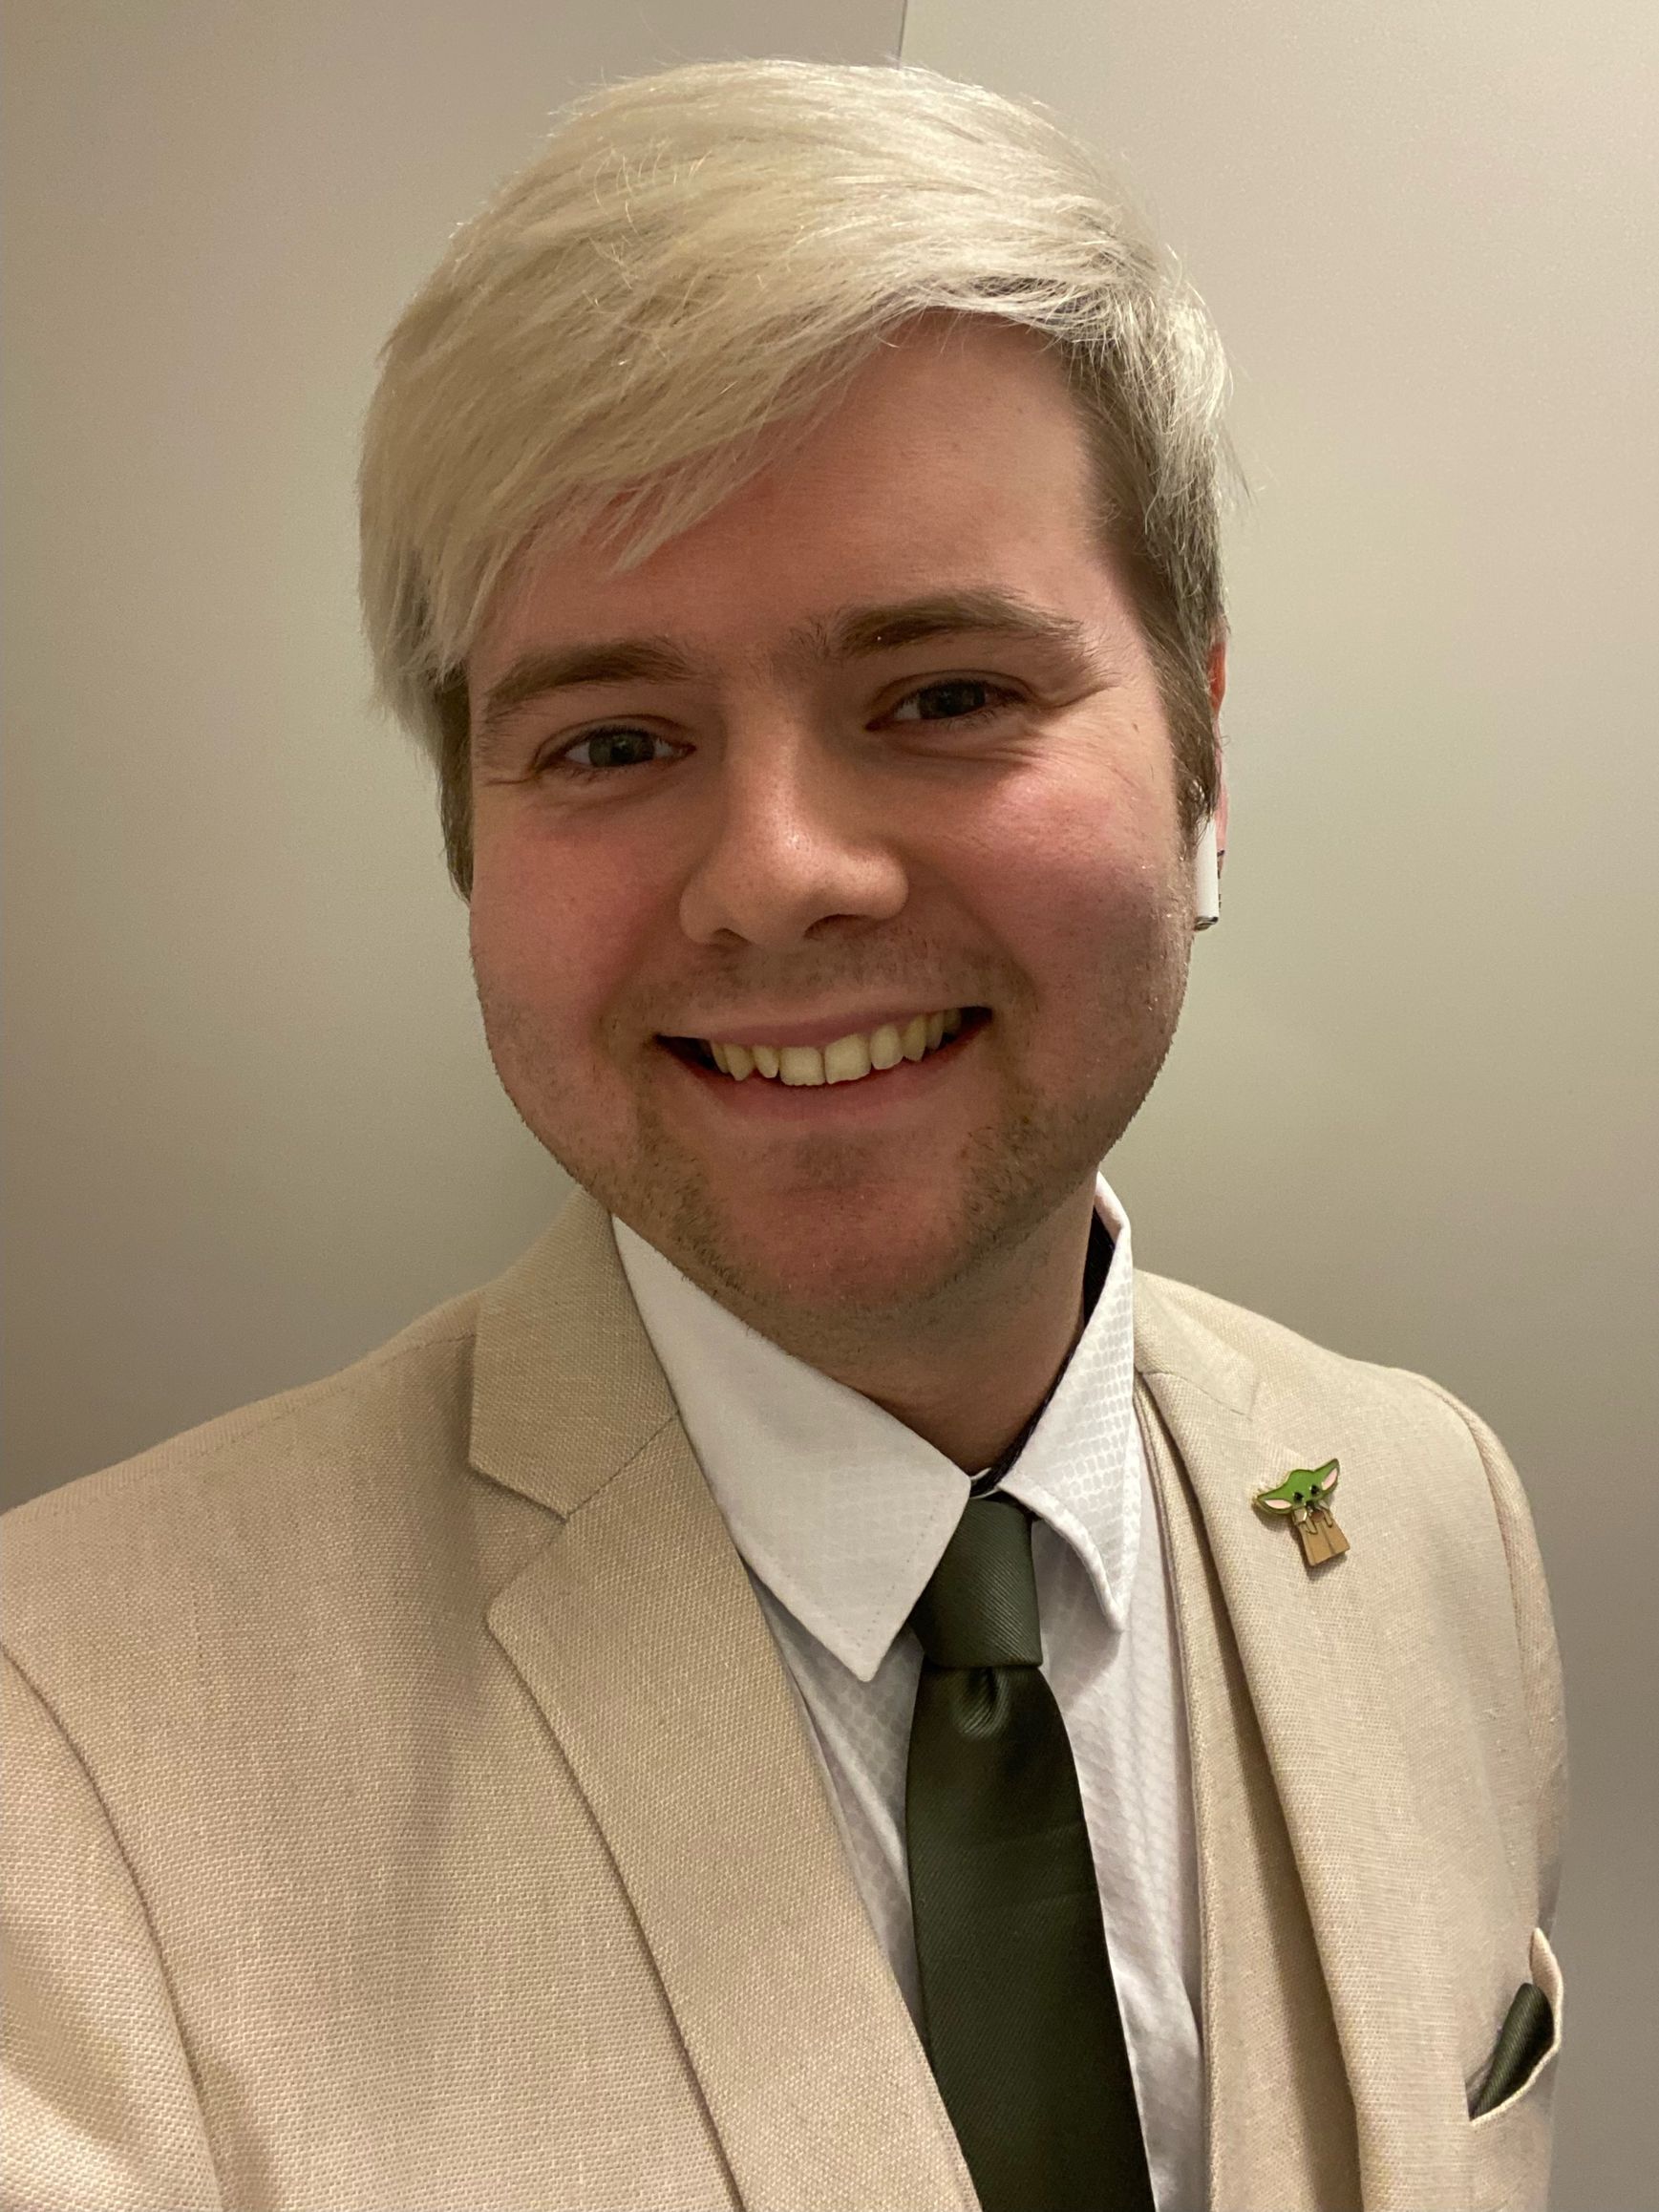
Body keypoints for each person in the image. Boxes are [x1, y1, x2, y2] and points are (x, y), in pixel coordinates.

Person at [1, 57, 1564, 2212]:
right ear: (468, 835)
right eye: (611, 739)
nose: (773, 875)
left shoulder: (1431, 1511)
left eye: (944, 695)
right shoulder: (63, 1737)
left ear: (1201, 755)